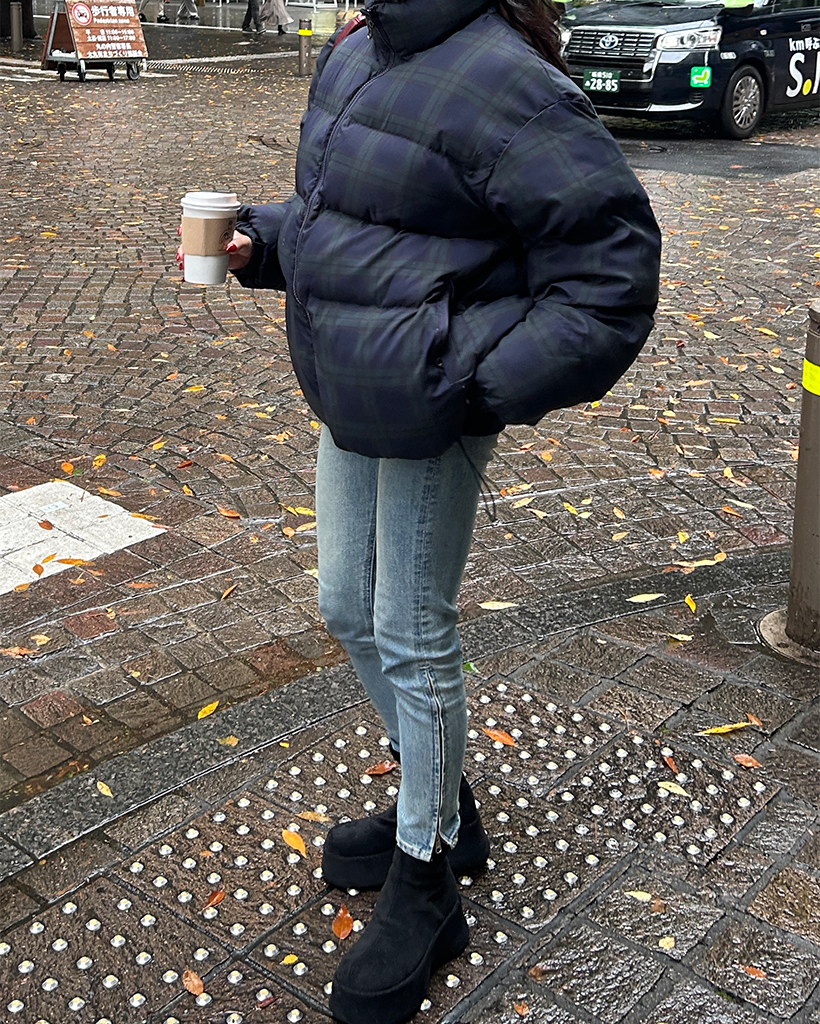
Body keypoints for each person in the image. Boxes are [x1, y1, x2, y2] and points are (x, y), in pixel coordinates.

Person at [177, 1, 661, 1021]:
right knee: (345, 607)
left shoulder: (509, 80)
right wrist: (264, 241)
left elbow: (610, 271)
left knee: (409, 629)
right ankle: (445, 801)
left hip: (432, 401)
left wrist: (473, 383)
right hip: (355, 388)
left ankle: (429, 874)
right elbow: (348, 216)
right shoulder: (359, 47)